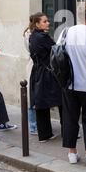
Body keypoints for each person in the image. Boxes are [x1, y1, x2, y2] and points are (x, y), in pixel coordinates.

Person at [59, 3, 86, 166]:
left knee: (70, 118)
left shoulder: (65, 32)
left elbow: (58, 54)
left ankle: (72, 153)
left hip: (70, 83)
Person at [29, 12, 62, 142]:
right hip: (46, 73)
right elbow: (56, 50)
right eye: (44, 21)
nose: (48, 23)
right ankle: (68, 131)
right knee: (62, 101)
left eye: (47, 21)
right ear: (37, 24)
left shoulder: (33, 36)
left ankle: (44, 134)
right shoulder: (42, 37)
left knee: (41, 103)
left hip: (38, 72)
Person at [24, 15, 38, 135]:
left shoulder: (29, 33)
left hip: (34, 65)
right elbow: (31, 50)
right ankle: (33, 125)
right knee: (31, 96)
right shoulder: (30, 34)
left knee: (34, 96)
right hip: (33, 66)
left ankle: (35, 124)